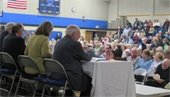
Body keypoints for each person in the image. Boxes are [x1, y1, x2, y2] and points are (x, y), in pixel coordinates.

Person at [52, 25, 92, 97]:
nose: (79, 36)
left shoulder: (59, 42)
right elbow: (86, 57)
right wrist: (90, 51)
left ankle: (69, 94)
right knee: (90, 77)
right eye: (79, 34)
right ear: (73, 34)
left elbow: (70, 53)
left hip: (57, 72)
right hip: (69, 74)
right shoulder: (74, 44)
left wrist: (81, 49)